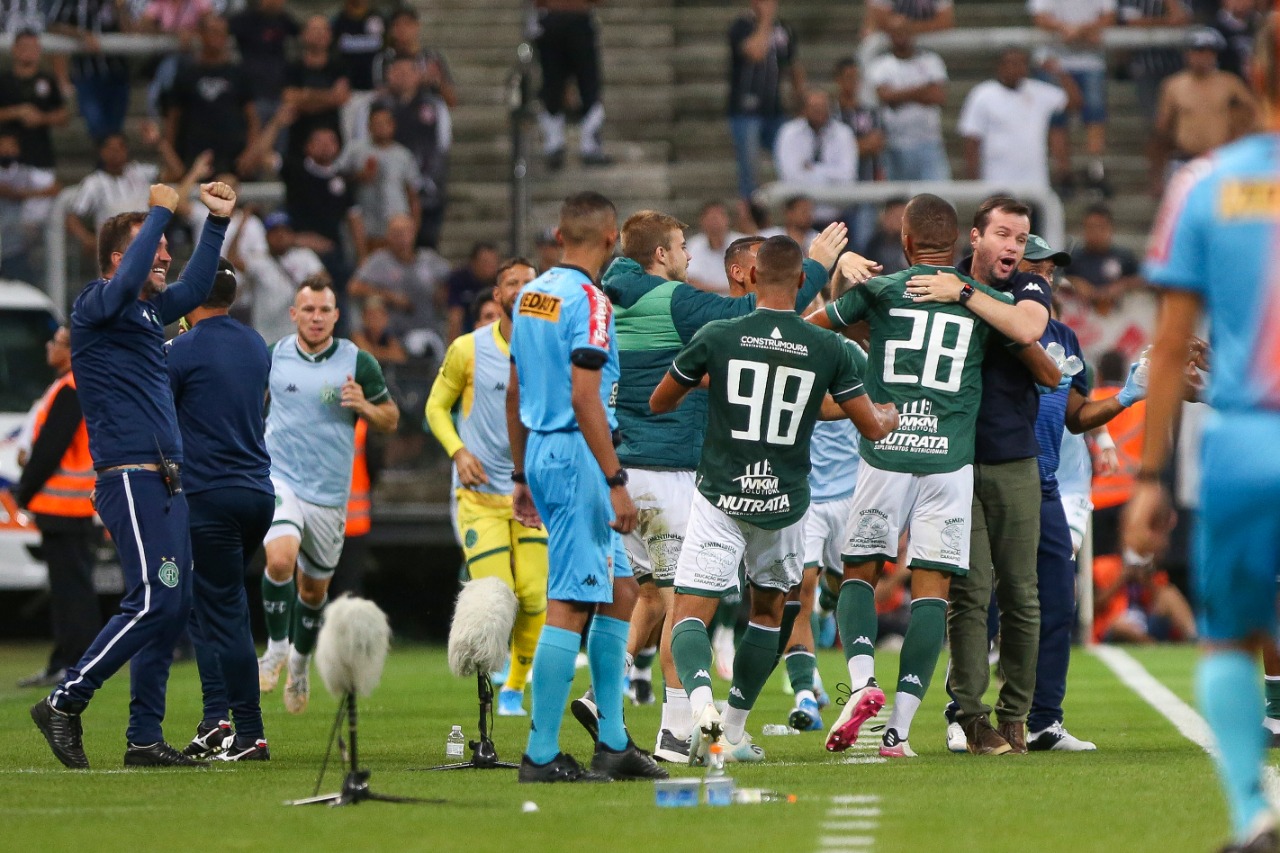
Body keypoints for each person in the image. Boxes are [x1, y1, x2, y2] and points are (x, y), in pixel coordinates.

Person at [595, 213, 857, 763]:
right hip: (669, 472)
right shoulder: (675, 302)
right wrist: (814, 265)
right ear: (661, 256)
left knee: (648, 596)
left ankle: (601, 699)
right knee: (681, 606)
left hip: (632, 466)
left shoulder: (622, 292)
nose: (690, 259)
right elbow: (751, 314)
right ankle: (675, 736)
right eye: (681, 248)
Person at [1125, 18, 1280, 850]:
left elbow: (1172, 342)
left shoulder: (1205, 182)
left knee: (1229, 631)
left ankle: (1252, 813)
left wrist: (1149, 477)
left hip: (1246, 439)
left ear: (1252, 73)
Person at [656, 235, 898, 765]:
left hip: (721, 494)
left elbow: (660, 399)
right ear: (799, 281)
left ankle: (702, 706)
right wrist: (889, 416)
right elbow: (870, 426)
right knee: (770, 612)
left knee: (690, 613)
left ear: (752, 276)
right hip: (784, 503)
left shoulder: (719, 333)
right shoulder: (828, 347)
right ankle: (736, 729)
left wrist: (710, 382)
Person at [29, 179, 237, 769]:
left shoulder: (145, 310)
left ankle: (143, 737)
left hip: (165, 479)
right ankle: (66, 701)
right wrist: (158, 212)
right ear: (124, 256)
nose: (166, 256)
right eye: (156, 248)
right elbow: (126, 280)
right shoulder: (98, 302)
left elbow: (197, 286)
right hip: (129, 476)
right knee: (155, 600)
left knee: (171, 605)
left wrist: (216, 222)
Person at [808, 194, 1023, 758]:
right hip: (950, 463)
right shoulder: (982, 301)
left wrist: (839, 278)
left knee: (859, 570)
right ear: (956, 246)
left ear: (904, 243)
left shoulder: (879, 291)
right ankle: (898, 733)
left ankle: (861, 685)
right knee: (934, 590)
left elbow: (806, 332)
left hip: (886, 454)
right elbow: (1028, 338)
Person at [506, 191, 662, 783]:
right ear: (611, 238)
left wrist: (521, 473)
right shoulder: (591, 301)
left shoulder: (530, 295)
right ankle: (541, 754)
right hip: (579, 455)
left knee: (621, 592)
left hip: (545, 451)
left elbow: (515, 390)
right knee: (571, 603)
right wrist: (615, 481)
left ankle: (615, 743)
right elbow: (584, 394)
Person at [903, 196, 1059, 756]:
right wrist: (845, 270)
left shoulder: (1028, 287)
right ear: (975, 237)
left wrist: (963, 294)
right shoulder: (936, 280)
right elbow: (886, 307)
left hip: (1015, 457)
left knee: (1021, 592)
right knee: (968, 594)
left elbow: (1027, 326)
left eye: (1021, 238)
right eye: (1003, 235)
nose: (1013, 248)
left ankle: (1015, 715)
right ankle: (971, 715)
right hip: (954, 459)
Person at [1021, 234, 1150, 751]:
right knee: (984, 605)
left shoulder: (1067, 340)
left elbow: (1076, 417)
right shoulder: (986, 328)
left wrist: (1122, 399)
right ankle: (966, 716)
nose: (1045, 278)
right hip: (990, 480)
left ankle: (1044, 722)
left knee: (1058, 601)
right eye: (1037, 268)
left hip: (1048, 484)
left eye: (1050, 271)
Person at [256, 277, 399, 715]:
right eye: (308, 310)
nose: (316, 318)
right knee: (279, 558)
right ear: (294, 314)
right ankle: (275, 648)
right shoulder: (273, 356)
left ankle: (298, 667)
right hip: (281, 479)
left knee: (314, 591)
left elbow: (391, 418)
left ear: (336, 316)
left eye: (324, 311)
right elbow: (248, 406)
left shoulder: (358, 362)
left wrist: (365, 407)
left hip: (329, 494)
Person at [426, 257, 547, 717]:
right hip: (479, 496)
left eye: (528, 282)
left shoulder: (555, 347)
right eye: (510, 282)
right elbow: (437, 408)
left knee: (535, 594)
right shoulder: (468, 348)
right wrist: (459, 451)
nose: (519, 288)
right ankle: (492, 686)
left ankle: (515, 686)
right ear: (497, 295)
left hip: (535, 496)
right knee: (498, 592)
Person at [166, 259, 274, 762]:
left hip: (210, 494)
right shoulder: (255, 344)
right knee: (207, 605)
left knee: (224, 609)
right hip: (257, 492)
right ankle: (215, 720)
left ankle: (247, 732)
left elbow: (160, 414)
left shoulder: (181, 349)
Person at [14, 326, 98, 690]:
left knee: (72, 592)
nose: (49, 346)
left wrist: (24, 490)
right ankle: (66, 661)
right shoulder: (71, 385)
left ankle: (74, 663)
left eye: (56, 342)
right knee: (70, 589)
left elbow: (50, 449)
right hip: (69, 506)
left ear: (70, 350)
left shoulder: (71, 388)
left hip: (64, 505)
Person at [1030, 0, 1117, 194]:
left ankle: (1096, 170)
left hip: (1091, 60)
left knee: (1095, 114)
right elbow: (1039, 17)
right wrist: (1068, 28)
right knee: (1056, 117)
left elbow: (1109, 16)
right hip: (1054, 59)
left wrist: (1077, 30)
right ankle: (1064, 173)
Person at [957, 49, 1076, 188]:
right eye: (1012, 63)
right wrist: (974, 181)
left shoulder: (1038, 91)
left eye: (1022, 63)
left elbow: (1075, 102)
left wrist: (1059, 72)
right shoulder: (983, 94)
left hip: (1034, 183)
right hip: (996, 182)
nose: (1017, 68)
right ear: (1000, 67)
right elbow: (972, 140)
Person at [1153, 27, 1256, 186]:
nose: (1202, 57)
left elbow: (1254, 113)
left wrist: (1237, 133)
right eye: (1198, 51)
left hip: (1219, 159)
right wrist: (1157, 174)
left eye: (1209, 52)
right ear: (1187, 53)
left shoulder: (1230, 83)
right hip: (1184, 159)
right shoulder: (1173, 85)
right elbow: (1162, 128)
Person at [163, 15, 259, 178]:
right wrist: (171, 158)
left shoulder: (238, 74)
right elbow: (173, 119)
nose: (218, 37)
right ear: (201, 34)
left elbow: (252, 118)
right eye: (213, 31)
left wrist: (251, 152)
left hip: (232, 159)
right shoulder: (186, 74)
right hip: (194, 157)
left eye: (222, 33)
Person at [727, 0, 804, 201]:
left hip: (775, 110)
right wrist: (766, 20)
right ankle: (750, 210)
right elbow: (756, 52)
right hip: (745, 110)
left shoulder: (784, 30)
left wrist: (801, 99)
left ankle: (791, 205)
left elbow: (793, 66)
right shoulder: (741, 27)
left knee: (790, 159)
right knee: (749, 169)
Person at [1061, 204, 1156, 365]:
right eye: (1090, 227)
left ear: (1110, 228)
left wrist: (1122, 285)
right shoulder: (1074, 259)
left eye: (1100, 227)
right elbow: (1056, 281)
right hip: (1086, 329)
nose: (1095, 232)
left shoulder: (1123, 257)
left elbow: (1146, 281)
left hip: (1120, 324)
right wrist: (1075, 283)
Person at [376, 55, 451, 250]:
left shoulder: (434, 106)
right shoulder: (378, 105)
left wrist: (427, 179)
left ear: (419, 75)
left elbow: (443, 145)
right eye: (396, 72)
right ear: (388, 75)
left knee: (425, 244)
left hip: (426, 188)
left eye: (407, 72)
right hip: (388, 190)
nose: (402, 77)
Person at [348, 214, 450, 355]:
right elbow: (354, 288)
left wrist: (442, 293)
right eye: (396, 233)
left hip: (429, 327)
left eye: (405, 232)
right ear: (388, 235)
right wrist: (390, 296)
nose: (401, 238)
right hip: (393, 334)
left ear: (413, 233)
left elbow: (453, 280)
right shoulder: (380, 261)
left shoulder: (428, 259)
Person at [866, 19, 949, 181]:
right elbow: (885, 97)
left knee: (936, 198)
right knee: (899, 202)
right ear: (889, 35)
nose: (900, 36)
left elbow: (938, 96)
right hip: (894, 144)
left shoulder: (931, 61)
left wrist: (898, 95)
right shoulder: (882, 66)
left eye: (904, 31)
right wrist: (923, 89)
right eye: (896, 32)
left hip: (929, 142)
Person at [533, 0, 609, 169]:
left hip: (566, 19)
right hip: (563, 19)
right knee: (558, 85)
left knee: (582, 84)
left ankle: (582, 143)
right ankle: (557, 144)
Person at [335, 106, 421, 247]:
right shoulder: (355, 150)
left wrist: (414, 226)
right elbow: (334, 177)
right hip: (363, 221)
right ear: (369, 127)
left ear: (392, 126)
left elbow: (413, 194)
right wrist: (359, 176)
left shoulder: (403, 155)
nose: (381, 128)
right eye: (376, 124)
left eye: (385, 123)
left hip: (395, 220)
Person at [46, 0, 132, 141]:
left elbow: (130, 32)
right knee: (98, 129)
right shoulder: (71, 3)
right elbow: (54, 25)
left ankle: (107, 161)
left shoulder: (117, 3)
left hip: (118, 75)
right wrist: (81, 35)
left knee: (115, 132)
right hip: (87, 75)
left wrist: (121, 9)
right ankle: (103, 160)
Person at [773, 89, 858, 223]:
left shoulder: (844, 134)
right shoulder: (789, 133)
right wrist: (830, 176)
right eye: (814, 107)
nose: (818, 112)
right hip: (800, 216)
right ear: (805, 109)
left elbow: (848, 176)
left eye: (822, 107)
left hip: (836, 215)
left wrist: (813, 169)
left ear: (830, 109)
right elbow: (789, 176)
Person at [243, 211, 325, 346]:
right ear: (267, 236)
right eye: (275, 232)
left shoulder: (305, 256)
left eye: (284, 231)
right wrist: (243, 222)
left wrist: (307, 287)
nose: (280, 236)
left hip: (298, 335)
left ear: (292, 234)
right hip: (266, 336)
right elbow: (233, 259)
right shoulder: (258, 260)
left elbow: (324, 280)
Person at [0, 29, 70, 178]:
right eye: (24, 47)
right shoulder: (3, 81)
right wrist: (16, 112)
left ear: (39, 50)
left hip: (40, 157)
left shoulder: (48, 80)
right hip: (6, 159)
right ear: (14, 49)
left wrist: (42, 118)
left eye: (33, 47)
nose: (29, 52)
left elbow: (63, 116)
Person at [282, 16, 350, 166]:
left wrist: (306, 96)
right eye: (314, 30)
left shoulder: (339, 66)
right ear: (303, 35)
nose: (319, 34)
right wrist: (328, 97)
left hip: (332, 137)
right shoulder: (293, 67)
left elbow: (341, 97)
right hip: (300, 136)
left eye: (323, 30)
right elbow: (290, 98)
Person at [229, 0, 300, 134]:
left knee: (278, 144)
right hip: (253, 94)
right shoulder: (244, 20)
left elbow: (301, 42)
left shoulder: (286, 21)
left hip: (279, 93)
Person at [371, 7, 457, 108]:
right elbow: (378, 96)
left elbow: (452, 101)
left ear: (417, 26)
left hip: (428, 115)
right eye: (397, 25)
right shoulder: (384, 59)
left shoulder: (432, 58)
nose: (402, 30)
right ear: (391, 30)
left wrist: (438, 82)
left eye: (407, 24)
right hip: (394, 113)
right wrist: (404, 82)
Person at [330, 0, 383, 145]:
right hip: (349, 94)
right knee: (349, 141)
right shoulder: (337, 22)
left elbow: (388, 51)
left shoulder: (379, 19)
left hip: (375, 91)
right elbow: (331, 55)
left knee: (374, 140)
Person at [685, 200, 746, 294]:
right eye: (711, 217)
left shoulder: (743, 243)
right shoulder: (694, 245)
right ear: (702, 221)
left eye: (718, 216)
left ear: (727, 219)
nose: (715, 221)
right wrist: (730, 288)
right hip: (707, 303)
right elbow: (692, 282)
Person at [446, 242, 500, 342]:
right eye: (485, 262)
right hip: (466, 332)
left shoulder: (501, 282)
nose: (490, 267)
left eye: (493, 262)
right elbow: (455, 317)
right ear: (473, 263)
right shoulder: (460, 280)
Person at [351, 296, 407, 365]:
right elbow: (365, 354)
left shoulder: (388, 338)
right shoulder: (357, 335)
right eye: (370, 315)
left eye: (378, 315)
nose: (374, 320)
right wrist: (387, 353)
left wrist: (374, 351)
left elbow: (400, 356)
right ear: (363, 318)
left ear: (385, 318)